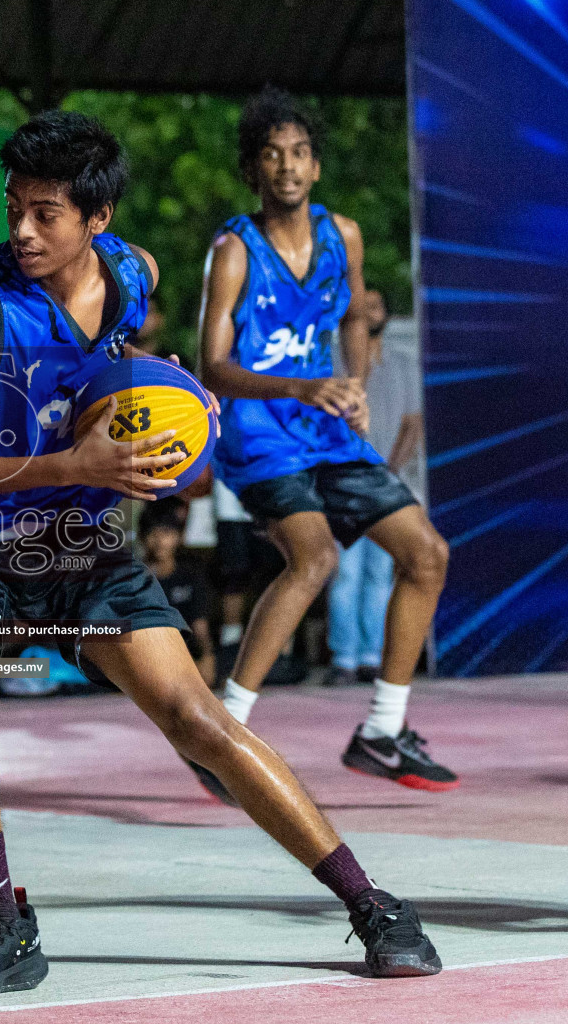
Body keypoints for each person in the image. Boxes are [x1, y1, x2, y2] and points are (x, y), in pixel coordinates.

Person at [0, 110, 441, 1002]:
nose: (23, 230)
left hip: (84, 541)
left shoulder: (132, 275)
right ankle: (3, 926)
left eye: (46, 214)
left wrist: (177, 402)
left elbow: (128, 367)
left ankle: (373, 904)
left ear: (96, 220)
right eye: (13, 209)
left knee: (200, 722)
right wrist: (70, 460)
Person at [195, 87, 456, 793]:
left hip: (324, 428)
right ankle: (222, 732)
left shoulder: (344, 236)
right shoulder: (233, 250)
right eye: (273, 154)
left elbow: (354, 319)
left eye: (301, 152)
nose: (288, 165)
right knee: (313, 561)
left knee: (426, 555)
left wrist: (357, 384)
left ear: (316, 166)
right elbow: (210, 366)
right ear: (253, 170)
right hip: (257, 431)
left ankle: (382, 731)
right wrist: (303, 387)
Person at [325, 286, 424, 686]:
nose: (368, 312)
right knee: (345, 573)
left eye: (375, 305)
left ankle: (372, 656)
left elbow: (412, 423)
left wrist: (390, 469)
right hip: (343, 479)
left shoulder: (402, 364)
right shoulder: (333, 363)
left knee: (380, 573)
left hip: (386, 483)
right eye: (360, 307)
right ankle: (344, 659)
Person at [140, 497, 215, 682]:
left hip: (185, 653)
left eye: (166, 533)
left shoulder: (190, 576)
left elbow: (199, 625)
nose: (159, 541)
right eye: (152, 534)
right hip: (146, 655)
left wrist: (207, 657)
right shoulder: (134, 580)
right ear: (143, 538)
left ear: (178, 536)